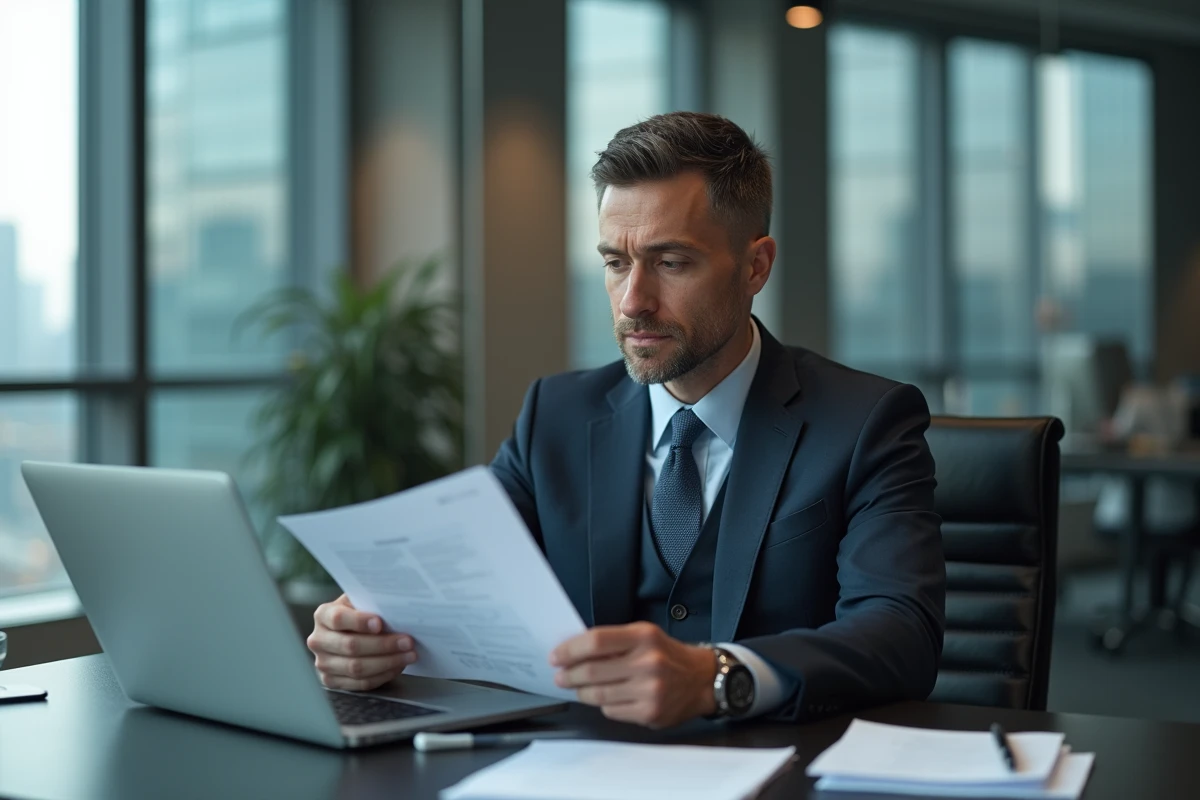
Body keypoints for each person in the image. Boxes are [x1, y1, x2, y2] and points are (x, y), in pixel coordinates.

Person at [306, 112, 945, 728]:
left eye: (671, 263)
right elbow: (452, 575)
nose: (633, 302)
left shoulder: (866, 422)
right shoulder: (554, 416)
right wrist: (367, 629)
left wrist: (720, 676)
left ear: (755, 267)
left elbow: (900, 633)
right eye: (615, 263)